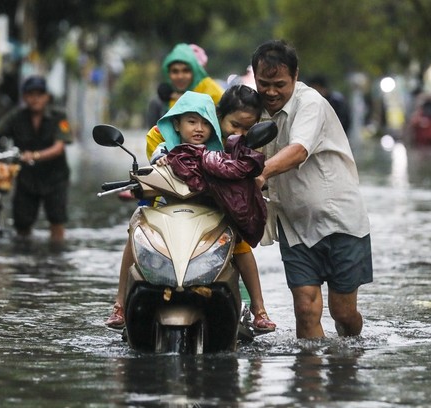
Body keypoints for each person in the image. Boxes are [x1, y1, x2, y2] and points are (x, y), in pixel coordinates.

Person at [106, 88, 276, 332]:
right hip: (167, 212)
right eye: (192, 122)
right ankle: (120, 304)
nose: (198, 128)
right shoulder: (163, 149)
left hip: (209, 214)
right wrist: (156, 168)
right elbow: (152, 169)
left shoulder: (220, 155)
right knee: (136, 231)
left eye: (205, 123)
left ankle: (259, 309)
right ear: (176, 124)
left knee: (240, 244)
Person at [251, 40, 372, 339]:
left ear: (295, 76)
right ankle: (309, 383)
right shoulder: (255, 109)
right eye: (263, 84)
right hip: (294, 225)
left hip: (340, 222)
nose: (270, 92)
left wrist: (261, 173)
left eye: (279, 84)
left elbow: (299, 150)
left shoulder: (311, 103)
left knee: (343, 313)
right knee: (305, 311)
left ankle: (351, 355)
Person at [0, 75, 73, 243]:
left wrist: (36, 155)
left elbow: (59, 147)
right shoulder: (17, 116)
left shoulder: (59, 116)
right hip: (26, 178)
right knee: (22, 224)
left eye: (40, 94)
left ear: (47, 96)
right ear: (24, 97)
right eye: (31, 94)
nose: (35, 98)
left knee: (56, 220)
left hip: (55, 179)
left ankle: (56, 257)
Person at [145, 43, 224, 128]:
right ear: (168, 74)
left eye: (186, 71)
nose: (180, 76)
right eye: (175, 71)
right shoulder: (160, 102)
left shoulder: (212, 92)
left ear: (195, 72)